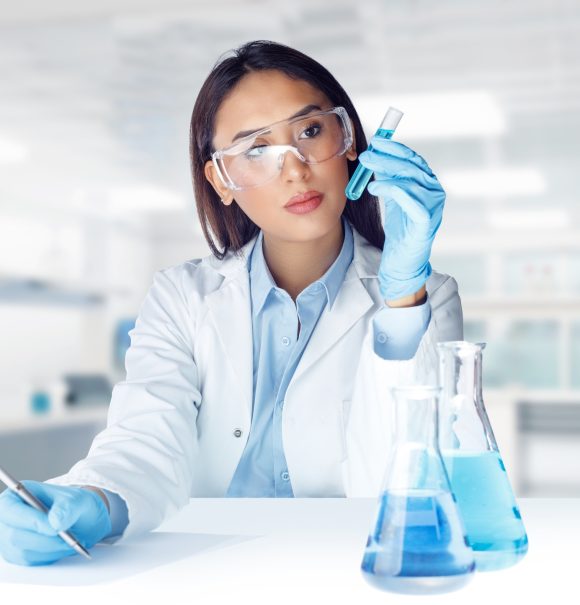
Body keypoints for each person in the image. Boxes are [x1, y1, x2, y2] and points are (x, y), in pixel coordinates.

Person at [0, 40, 462, 566]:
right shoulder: (182, 297)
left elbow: (411, 471)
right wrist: (98, 499)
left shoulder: (426, 295)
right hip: (202, 568)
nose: (295, 169)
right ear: (221, 179)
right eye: (256, 150)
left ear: (349, 140)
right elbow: (145, 438)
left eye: (310, 131)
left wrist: (401, 300)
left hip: (346, 564)